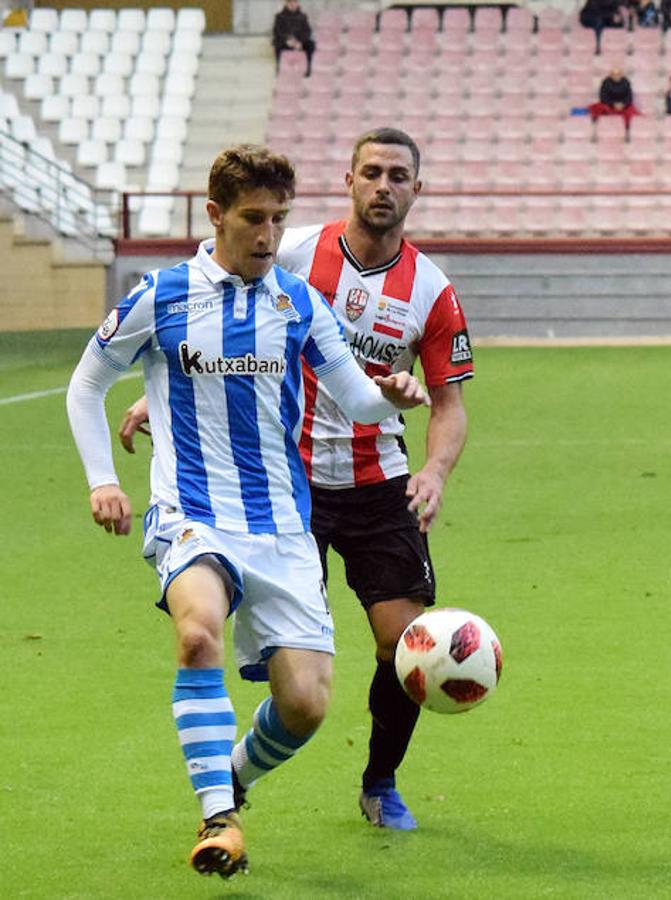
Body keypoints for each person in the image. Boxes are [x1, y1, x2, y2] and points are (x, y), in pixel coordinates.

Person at [65, 144, 426, 878]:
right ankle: (218, 819)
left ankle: (230, 779)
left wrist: (387, 394)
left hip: (282, 527)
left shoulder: (299, 302)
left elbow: (352, 393)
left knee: (306, 706)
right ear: (215, 215)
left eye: (279, 220)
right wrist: (102, 479)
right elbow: (87, 382)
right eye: (253, 219)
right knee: (198, 633)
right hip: (191, 512)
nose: (267, 236)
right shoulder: (160, 295)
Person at [588, 67, 639, 134]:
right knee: (599, 107)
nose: (616, 76)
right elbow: (603, 97)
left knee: (631, 111)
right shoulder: (606, 82)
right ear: (610, 75)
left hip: (623, 106)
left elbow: (629, 97)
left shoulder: (626, 82)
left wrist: (623, 104)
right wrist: (613, 104)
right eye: (614, 74)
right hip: (609, 105)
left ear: (621, 74)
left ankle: (627, 130)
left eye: (618, 74)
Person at [272, 0, 315, 77]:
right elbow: (278, 31)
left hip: (299, 41)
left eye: (294, 2)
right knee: (277, 44)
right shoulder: (279, 16)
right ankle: (280, 67)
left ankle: (307, 68)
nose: (292, 4)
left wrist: (300, 42)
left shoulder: (303, 16)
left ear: (297, 3)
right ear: (286, 3)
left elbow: (307, 31)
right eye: (290, 2)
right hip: (285, 41)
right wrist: (287, 40)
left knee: (311, 44)